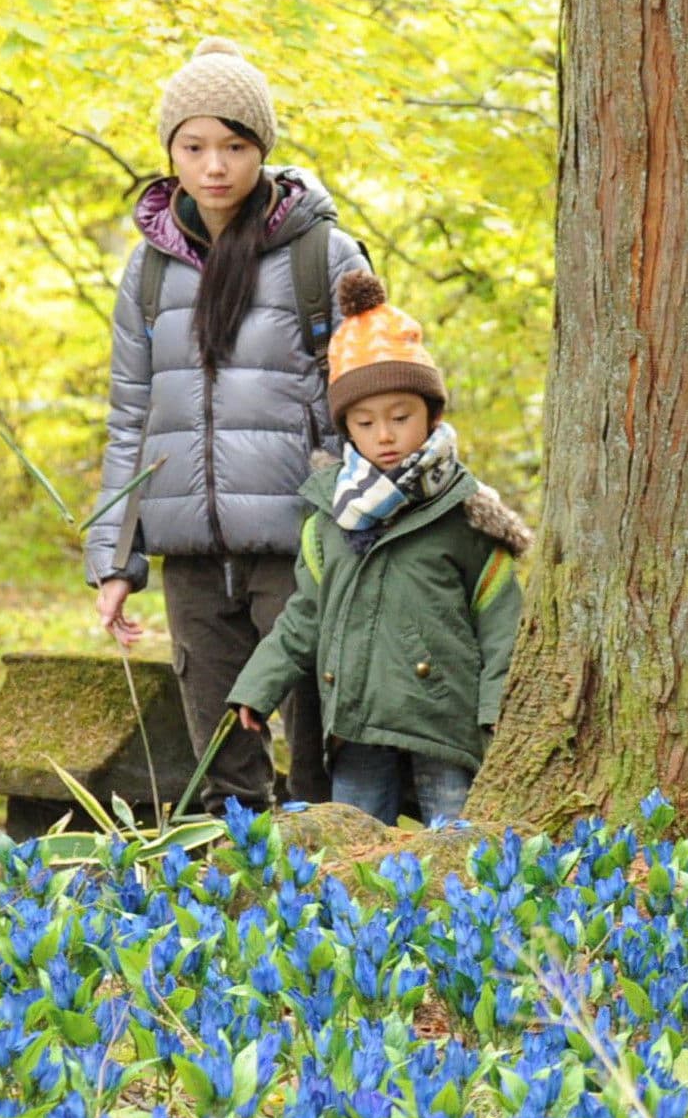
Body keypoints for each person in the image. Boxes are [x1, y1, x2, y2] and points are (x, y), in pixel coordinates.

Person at [84, 36, 370, 812]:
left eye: (235, 146)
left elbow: (375, 398)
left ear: (262, 149)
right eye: (194, 146)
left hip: (301, 544)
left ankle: (326, 867)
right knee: (223, 764)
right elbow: (131, 418)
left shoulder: (323, 254)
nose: (214, 166)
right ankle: (237, 870)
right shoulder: (147, 269)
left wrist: (358, 523)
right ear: (170, 152)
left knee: (319, 748)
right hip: (191, 554)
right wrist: (115, 559)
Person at [227, 272, 529, 826]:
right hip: (357, 721)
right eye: (365, 422)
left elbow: (501, 624)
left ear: (432, 416)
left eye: (401, 417)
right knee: (355, 842)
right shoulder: (329, 518)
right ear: (347, 428)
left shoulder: (464, 513)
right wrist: (258, 686)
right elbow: (305, 615)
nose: (384, 435)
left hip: (446, 723)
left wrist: (496, 710)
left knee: (454, 841)